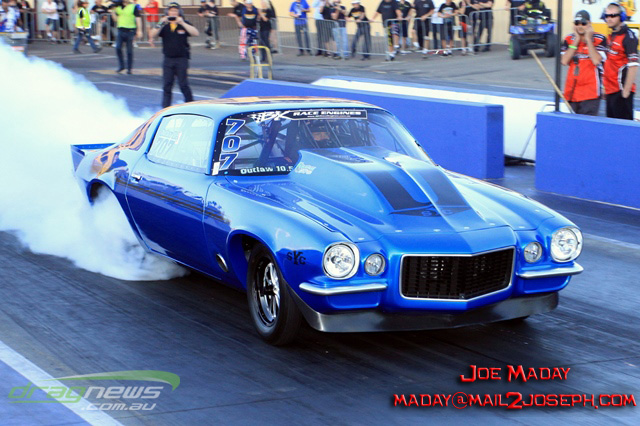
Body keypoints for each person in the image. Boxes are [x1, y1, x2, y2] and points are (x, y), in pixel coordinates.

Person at [150, 2, 198, 108]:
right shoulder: (164, 25)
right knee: (167, 85)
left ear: (179, 12)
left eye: (175, 11)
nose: (173, 13)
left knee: (183, 85)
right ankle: (165, 108)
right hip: (168, 59)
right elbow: (152, 34)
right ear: (168, 12)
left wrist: (183, 23)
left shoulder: (184, 23)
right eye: (171, 11)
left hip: (181, 59)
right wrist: (161, 22)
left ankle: (191, 106)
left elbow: (195, 33)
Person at [561, 10, 607, 115]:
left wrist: (588, 40)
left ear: (589, 23)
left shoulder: (600, 38)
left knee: (588, 124)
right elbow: (564, 61)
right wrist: (576, 40)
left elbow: (596, 60)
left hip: (590, 93)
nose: (580, 26)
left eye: (583, 23)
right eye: (577, 23)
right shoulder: (569, 39)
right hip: (571, 92)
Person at [603, 2, 638, 119]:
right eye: (607, 16)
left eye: (613, 15)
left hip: (621, 92)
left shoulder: (629, 37)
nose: (609, 18)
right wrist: (605, 88)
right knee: (611, 126)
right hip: (610, 90)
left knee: (623, 127)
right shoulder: (611, 36)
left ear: (621, 16)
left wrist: (626, 91)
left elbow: (633, 65)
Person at [112, 0, 142, 74]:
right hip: (121, 30)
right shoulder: (118, 7)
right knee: (118, 48)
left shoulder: (133, 7)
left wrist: (139, 30)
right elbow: (115, 19)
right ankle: (121, 66)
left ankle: (129, 68)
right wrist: (113, 11)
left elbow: (138, 18)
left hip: (130, 30)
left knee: (129, 50)